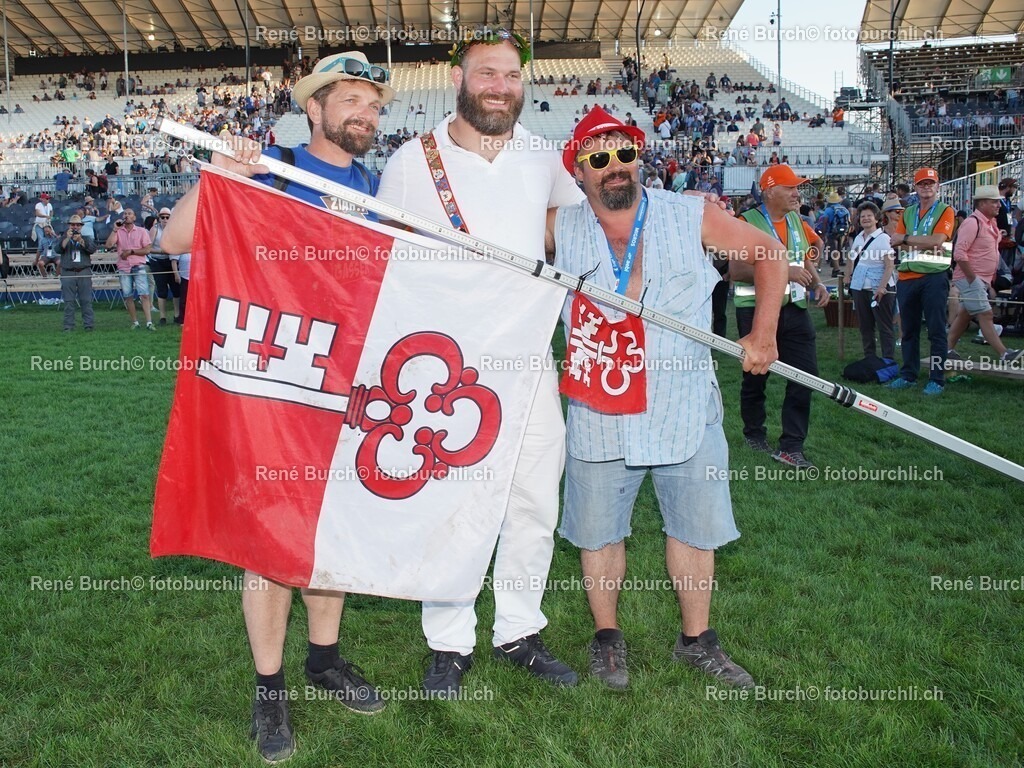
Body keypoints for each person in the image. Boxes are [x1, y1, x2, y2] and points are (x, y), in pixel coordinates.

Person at [161, 50, 396, 764]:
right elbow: (175, 240)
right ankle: (269, 687)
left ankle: (324, 659)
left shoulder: (383, 189)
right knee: (268, 538)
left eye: (373, 105)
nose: (365, 114)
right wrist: (220, 178)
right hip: (277, 380)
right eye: (350, 100)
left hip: (350, 386)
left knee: (332, 528)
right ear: (314, 107)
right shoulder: (271, 168)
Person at [376, 29, 581, 699]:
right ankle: (449, 640)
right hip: (448, 365)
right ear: (458, 79)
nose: (500, 86)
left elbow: (573, 235)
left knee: (533, 495)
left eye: (511, 76)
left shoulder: (544, 157)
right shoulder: (413, 159)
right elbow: (385, 261)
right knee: (452, 496)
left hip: (529, 357)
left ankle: (519, 628)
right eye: (487, 73)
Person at [553, 108, 788, 691]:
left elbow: (769, 252)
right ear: (578, 170)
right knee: (598, 530)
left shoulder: (691, 214)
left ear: (640, 158)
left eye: (625, 152)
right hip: (598, 406)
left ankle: (696, 641)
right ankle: (607, 638)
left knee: (694, 527)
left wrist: (763, 332)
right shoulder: (556, 227)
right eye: (599, 157)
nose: (615, 166)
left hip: (682, 403)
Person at [735, 165, 830, 469]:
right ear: (769, 191)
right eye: (790, 188)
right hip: (756, 309)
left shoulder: (796, 220)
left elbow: (804, 255)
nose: (796, 193)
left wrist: (817, 283)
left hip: (795, 309)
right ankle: (754, 433)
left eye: (797, 187)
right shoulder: (746, 221)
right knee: (755, 376)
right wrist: (783, 272)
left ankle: (791, 446)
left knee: (805, 376)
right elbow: (736, 270)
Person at [887, 168, 955, 395]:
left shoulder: (946, 211)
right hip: (907, 277)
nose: (926, 187)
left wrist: (908, 239)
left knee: (936, 330)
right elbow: (895, 241)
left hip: (934, 276)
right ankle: (908, 375)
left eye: (930, 183)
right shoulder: (908, 212)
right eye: (922, 184)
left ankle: (936, 379)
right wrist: (923, 242)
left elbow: (937, 240)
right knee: (908, 331)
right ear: (915, 187)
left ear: (937, 186)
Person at [946, 185, 1022, 364]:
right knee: (986, 314)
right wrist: (973, 279)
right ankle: (1004, 354)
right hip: (971, 278)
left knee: (965, 314)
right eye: (994, 202)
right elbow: (959, 253)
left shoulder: (989, 223)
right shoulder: (972, 223)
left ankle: (946, 349)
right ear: (982, 204)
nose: (999, 205)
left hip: (980, 279)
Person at [844, 202, 896, 360]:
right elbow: (851, 259)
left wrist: (881, 287)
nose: (865, 219)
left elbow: (889, 266)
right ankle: (870, 358)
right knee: (865, 326)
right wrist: (847, 276)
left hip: (879, 288)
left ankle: (888, 359)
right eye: (862, 216)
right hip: (860, 287)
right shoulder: (858, 238)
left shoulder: (883, 238)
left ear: (876, 219)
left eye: (869, 216)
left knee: (884, 326)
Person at [106, 209, 154, 329]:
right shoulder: (118, 231)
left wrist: (131, 252)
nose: (127, 215)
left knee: (144, 294)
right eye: (125, 214)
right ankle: (135, 322)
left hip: (138, 265)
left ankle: (149, 322)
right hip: (124, 267)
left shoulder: (142, 231)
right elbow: (108, 245)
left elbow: (147, 249)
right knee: (128, 295)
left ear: (134, 217)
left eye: (129, 213)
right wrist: (115, 229)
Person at [58, 215, 96, 331]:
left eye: (77, 225)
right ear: (69, 226)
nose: (75, 227)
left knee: (86, 300)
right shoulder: (63, 237)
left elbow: (92, 249)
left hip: (83, 271)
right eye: (73, 225)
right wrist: (67, 238)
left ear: (81, 226)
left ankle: (88, 325)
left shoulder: (87, 238)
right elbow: (58, 249)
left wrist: (80, 241)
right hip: (68, 271)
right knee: (69, 301)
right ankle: (68, 326)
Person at [148, 207, 180, 325]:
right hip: (158, 261)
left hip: (172, 260)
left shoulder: (174, 230)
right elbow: (148, 248)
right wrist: (162, 251)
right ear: (159, 218)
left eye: (167, 217)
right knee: (162, 289)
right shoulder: (154, 230)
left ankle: (177, 315)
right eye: (163, 217)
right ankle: (162, 316)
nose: (165, 219)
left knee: (176, 289)